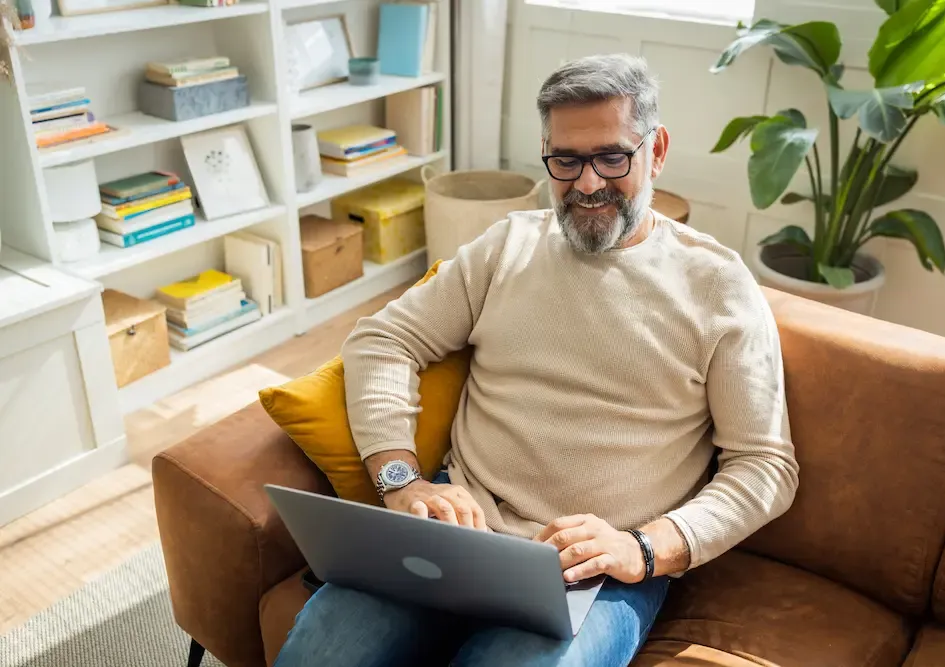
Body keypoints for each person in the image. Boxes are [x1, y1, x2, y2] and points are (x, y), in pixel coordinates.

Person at [274, 53, 799, 667]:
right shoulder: (508, 245)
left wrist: (647, 549)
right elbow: (383, 340)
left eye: (612, 157)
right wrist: (400, 481)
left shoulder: (719, 286)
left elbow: (765, 465)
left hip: (600, 569)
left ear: (655, 151)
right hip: (454, 530)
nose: (587, 184)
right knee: (322, 653)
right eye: (566, 160)